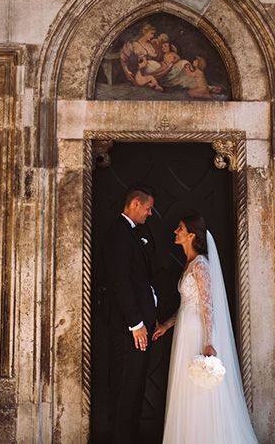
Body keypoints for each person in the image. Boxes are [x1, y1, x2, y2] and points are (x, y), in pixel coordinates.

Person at [152, 213, 258, 443]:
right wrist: (167, 326)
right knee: (186, 385)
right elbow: (187, 305)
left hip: (198, 332)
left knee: (200, 387)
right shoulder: (188, 264)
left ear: (191, 235)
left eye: (180, 228)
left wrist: (209, 340)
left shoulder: (200, 265)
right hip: (184, 330)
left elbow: (208, 304)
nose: (175, 231)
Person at [104, 187, 157, 444]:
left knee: (134, 388)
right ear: (135, 204)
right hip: (129, 330)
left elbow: (138, 280)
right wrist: (136, 323)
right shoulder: (119, 234)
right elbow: (120, 282)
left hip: (139, 327)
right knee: (126, 389)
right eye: (148, 208)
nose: (150, 213)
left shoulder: (132, 233)